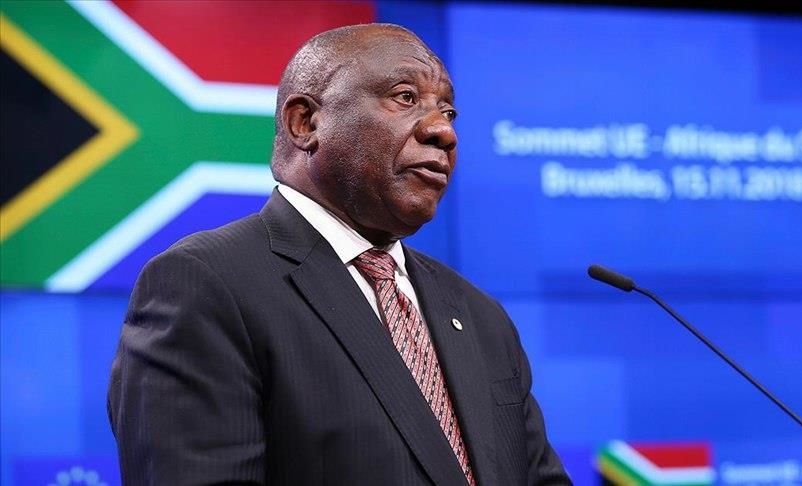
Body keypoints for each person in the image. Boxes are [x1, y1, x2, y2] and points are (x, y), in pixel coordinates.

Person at [108, 23, 571, 485]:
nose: (442, 131)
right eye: (406, 97)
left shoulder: (479, 314)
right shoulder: (207, 284)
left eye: (447, 110)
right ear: (306, 123)